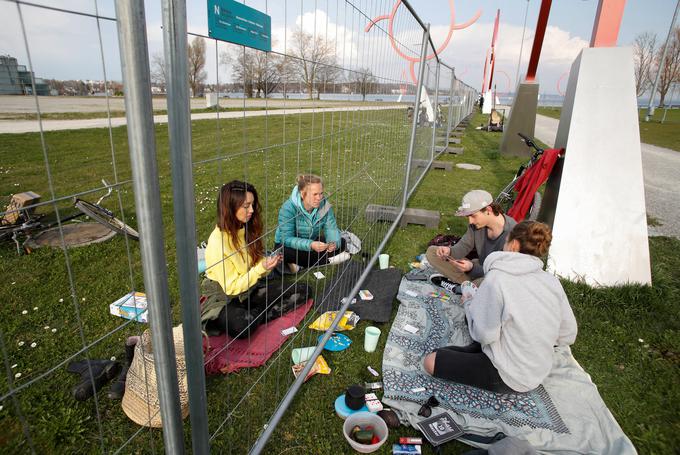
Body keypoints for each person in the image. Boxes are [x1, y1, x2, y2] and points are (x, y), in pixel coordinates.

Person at [423, 221, 578, 393]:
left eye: (506, 241)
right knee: (448, 351)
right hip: (538, 369)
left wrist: (469, 302)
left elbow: (484, 335)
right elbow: (567, 334)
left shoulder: (497, 279)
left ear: (513, 245)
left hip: (509, 376)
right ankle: (479, 352)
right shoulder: (552, 281)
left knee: (431, 361)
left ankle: (481, 353)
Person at [201, 180, 308, 338]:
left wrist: (266, 265)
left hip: (249, 288)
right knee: (243, 327)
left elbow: (255, 266)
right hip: (224, 296)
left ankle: (252, 315)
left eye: (252, 204)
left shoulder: (246, 228)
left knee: (304, 290)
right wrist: (260, 269)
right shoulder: (218, 242)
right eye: (246, 206)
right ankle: (237, 317)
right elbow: (231, 288)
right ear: (230, 207)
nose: (251, 210)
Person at [426, 190, 516, 292]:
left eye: (473, 216)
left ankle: (464, 287)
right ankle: (467, 287)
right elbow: (463, 246)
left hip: (497, 276)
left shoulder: (514, 233)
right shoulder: (475, 225)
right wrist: (448, 251)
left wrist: (472, 268)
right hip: (479, 268)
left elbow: (504, 273)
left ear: (488, 210)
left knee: (488, 284)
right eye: (468, 217)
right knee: (432, 252)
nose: (470, 221)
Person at [274, 174, 349, 273]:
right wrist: (310, 245)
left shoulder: (324, 206)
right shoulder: (288, 208)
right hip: (288, 246)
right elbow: (286, 239)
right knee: (284, 253)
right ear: (302, 194)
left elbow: (331, 228)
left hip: (311, 241)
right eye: (315, 194)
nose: (319, 198)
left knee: (342, 242)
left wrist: (333, 243)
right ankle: (327, 260)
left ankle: (299, 265)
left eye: (321, 193)